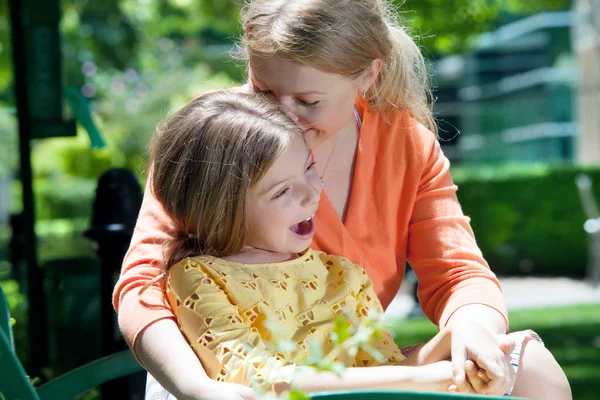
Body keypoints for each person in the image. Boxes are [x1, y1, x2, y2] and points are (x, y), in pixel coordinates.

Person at [113, 1, 572, 399]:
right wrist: (196, 387)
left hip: (351, 373)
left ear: (367, 76)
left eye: (307, 101)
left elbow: (457, 273)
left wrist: (471, 330)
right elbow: (143, 287)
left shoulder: (404, 144)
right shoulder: (218, 138)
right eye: (264, 91)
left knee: (527, 366)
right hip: (224, 381)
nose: (281, 116)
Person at [148, 90, 504, 395]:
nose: (312, 193)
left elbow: (382, 369)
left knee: (519, 356)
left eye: (308, 169)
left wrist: (455, 341)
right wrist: (421, 377)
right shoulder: (199, 277)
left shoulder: (341, 275)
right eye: (283, 191)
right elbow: (261, 380)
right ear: (218, 209)